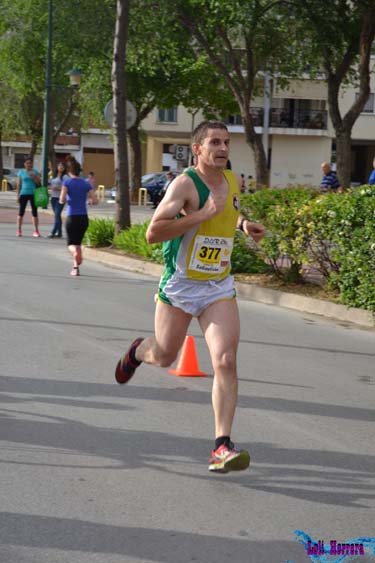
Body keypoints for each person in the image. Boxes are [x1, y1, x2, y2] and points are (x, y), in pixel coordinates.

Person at [114, 120, 265, 473]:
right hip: (181, 286)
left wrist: (243, 225)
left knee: (225, 360)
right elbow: (154, 232)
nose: (223, 148)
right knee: (165, 355)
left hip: (218, 285)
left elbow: (230, 210)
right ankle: (138, 350)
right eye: (215, 142)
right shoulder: (184, 184)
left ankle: (221, 446)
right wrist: (201, 214)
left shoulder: (232, 179)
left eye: (227, 142)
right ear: (197, 149)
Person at [59, 156, 98, 276]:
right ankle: (75, 268)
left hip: (72, 216)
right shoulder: (86, 183)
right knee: (78, 243)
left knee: (71, 244)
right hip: (83, 217)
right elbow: (95, 200)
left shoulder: (67, 182)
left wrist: (65, 200)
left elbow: (62, 199)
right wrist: (87, 200)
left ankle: (75, 254)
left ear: (69, 170)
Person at [15, 156, 42, 237]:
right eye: (27, 163)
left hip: (33, 194)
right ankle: (19, 230)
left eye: (30, 163)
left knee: (34, 213)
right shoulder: (21, 172)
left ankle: (36, 231)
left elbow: (39, 183)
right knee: (21, 212)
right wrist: (17, 195)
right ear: (24, 164)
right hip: (23, 193)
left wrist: (34, 177)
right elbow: (19, 184)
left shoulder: (35, 171)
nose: (29, 165)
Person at [47, 161, 66, 238]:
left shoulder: (65, 177)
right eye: (59, 165)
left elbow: (66, 187)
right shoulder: (54, 175)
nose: (61, 167)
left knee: (57, 215)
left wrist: (57, 188)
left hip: (60, 198)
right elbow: (48, 183)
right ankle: (60, 232)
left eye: (62, 166)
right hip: (53, 198)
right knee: (57, 216)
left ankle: (53, 232)